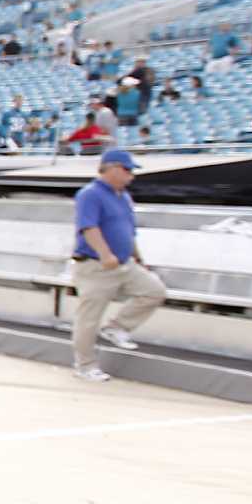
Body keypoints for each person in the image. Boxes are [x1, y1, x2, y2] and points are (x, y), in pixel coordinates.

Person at [70, 148, 166, 382]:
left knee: (154, 291)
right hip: (96, 266)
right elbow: (89, 227)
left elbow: (128, 231)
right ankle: (85, 365)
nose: (131, 175)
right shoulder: (90, 194)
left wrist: (138, 257)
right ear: (111, 168)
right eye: (127, 170)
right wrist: (105, 254)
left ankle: (117, 326)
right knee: (89, 318)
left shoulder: (123, 196)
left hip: (124, 264)